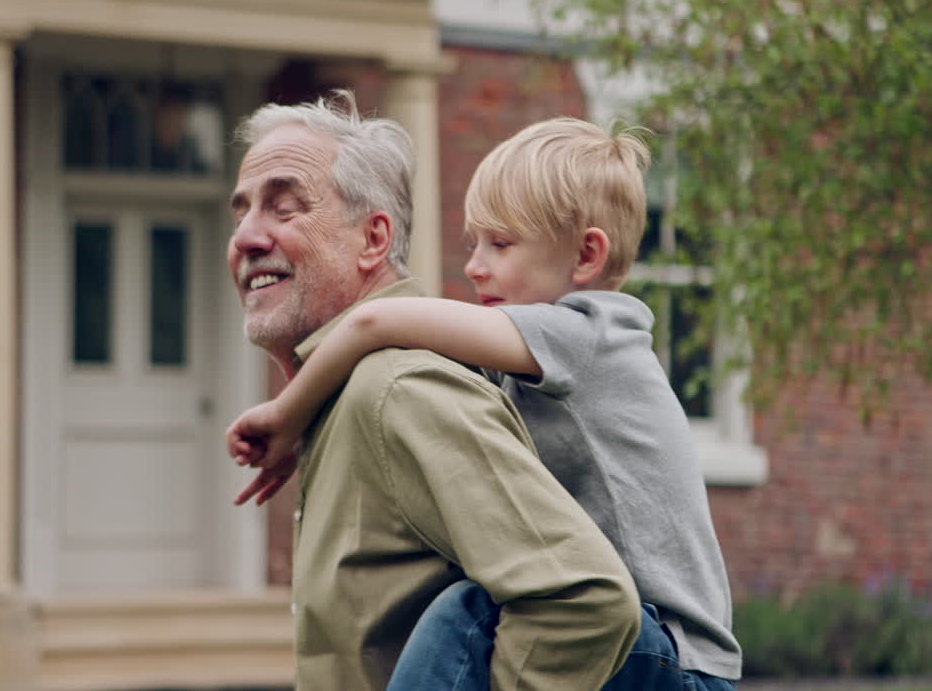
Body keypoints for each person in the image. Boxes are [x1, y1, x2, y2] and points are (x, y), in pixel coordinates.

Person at [229, 117, 742, 690]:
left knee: (472, 614)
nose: (474, 266)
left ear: (586, 256)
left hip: (678, 658)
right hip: (646, 651)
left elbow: (375, 321)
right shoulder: (511, 367)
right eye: (473, 243)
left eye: (500, 244)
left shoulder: (585, 334)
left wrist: (287, 412)